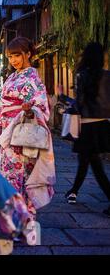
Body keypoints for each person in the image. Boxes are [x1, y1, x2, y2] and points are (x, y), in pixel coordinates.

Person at [0, 37, 55, 225]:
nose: (13, 60)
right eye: (10, 56)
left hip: (22, 132)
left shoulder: (33, 78)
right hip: (8, 131)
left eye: (17, 55)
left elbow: (42, 105)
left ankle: (24, 218)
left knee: (21, 175)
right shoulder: (12, 77)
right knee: (9, 174)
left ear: (28, 54)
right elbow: (4, 106)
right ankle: (16, 219)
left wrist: (30, 109)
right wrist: (0, 129)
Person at [56, 42, 110, 216]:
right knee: (88, 162)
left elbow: (79, 105)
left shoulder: (82, 75)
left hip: (87, 127)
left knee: (94, 165)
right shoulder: (108, 76)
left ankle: (74, 192)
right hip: (103, 125)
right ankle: (73, 191)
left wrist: (62, 96)